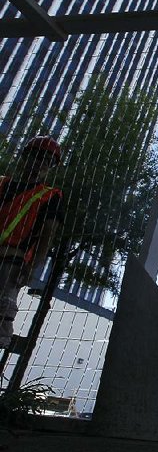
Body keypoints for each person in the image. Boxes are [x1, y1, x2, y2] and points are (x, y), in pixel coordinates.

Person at [0, 136, 62, 351]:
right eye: (36, 158)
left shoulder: (49, 196)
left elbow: (47, 234)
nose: (40, 165)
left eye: (47, 162)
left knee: (2, 315)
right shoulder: (3, 183)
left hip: (11, 263)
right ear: (24, 158)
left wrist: (32, 265)